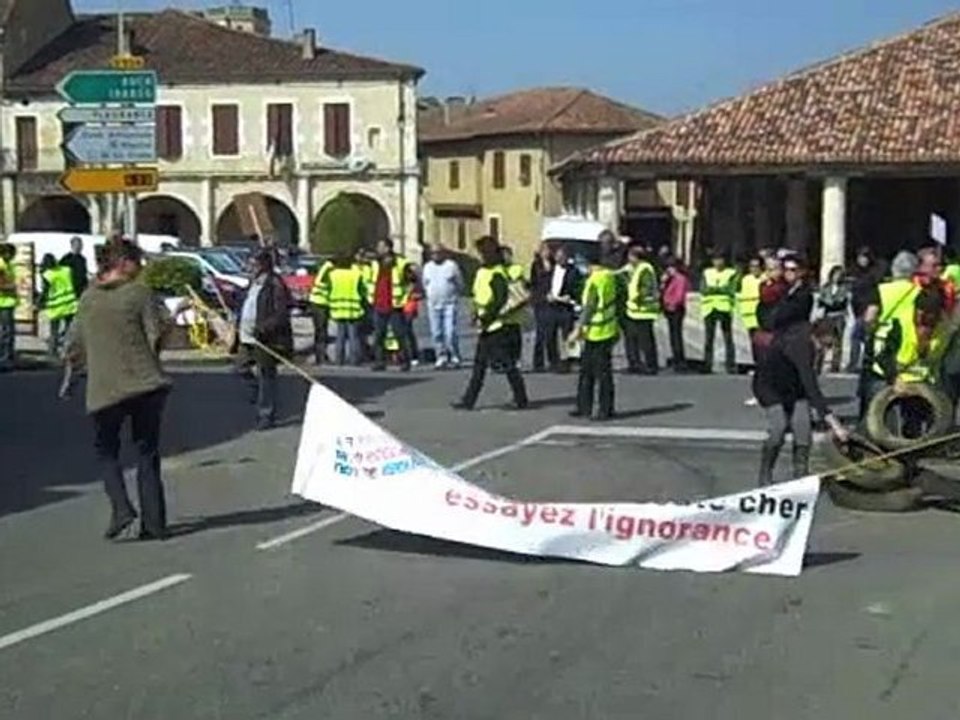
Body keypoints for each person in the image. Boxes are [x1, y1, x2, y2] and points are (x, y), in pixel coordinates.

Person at [63, 240, 173, 541]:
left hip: (105, 390)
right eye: (137, 262)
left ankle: (121, 508)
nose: (140, 268)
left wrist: (73, 374)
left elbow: (72, 344)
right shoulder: (140, 294)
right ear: (123, 263)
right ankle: (154, 524)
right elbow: (157, 332)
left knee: (107, 452)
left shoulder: (87, 299)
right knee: (147, 453)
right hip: (146, 384)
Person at [753, 255, 847, 486]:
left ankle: (800, 477)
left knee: (802, 429)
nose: (824, 352)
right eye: (825, 346)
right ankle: (765, 476)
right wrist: (834, 423)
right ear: (819, 338)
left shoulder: (803, 319)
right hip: (769, 385)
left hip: (794, 388)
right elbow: (810, 384)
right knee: (778, 428)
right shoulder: (802, 344)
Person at [452, 236, 528, 411]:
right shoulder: (483, 271)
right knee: (480, 365)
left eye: (480, 252)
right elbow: (480, 296)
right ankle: (468, 400)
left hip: (496, 326)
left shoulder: (497, 273)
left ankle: (520, 398)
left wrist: (487, 317)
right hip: (487, 324)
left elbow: (499, 299)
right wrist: (476, 313)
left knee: (506, 364)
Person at [237, 249, 293, 430]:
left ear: (264, 265)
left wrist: (263, 328)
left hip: (265, 338)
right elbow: (245, 304)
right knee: (241, 367)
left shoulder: (275, 284)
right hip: (246, 335)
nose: (250, 268)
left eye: (254, 264)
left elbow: (281, 313)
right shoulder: (252, 284)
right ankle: (256, 394)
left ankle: (266, 413)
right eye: (250, 264)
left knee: (266, 375)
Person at [570, 249, 621, 420]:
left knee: (592, 373)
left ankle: (592, 408)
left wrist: (577, 329)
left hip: (596, 332)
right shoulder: (609, 277)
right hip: (607, 329)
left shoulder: (595, 280)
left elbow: (590, 307)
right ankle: (599, 407)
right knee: (600, 373)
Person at [370, 238, 417, 371]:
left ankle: (404, 362)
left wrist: (406, 295)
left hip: (395, 305)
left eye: (380, 246)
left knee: (399, 335)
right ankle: (379, 362)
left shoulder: (401, 263)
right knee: (379, 335)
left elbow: (413, 280)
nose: (378, 249)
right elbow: (370, 281)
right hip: (379, 303)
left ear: (388, 248)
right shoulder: (375, 264)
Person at [422, 243, 463, 368]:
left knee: (450, 332)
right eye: (433, 253)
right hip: (433, 304)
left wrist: (456, 295)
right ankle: (441, 356)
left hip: (449, 303)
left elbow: (459, 283)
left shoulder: (451, 266)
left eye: (438, 252)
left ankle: (455, 356)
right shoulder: (427, 267)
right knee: (436, 332)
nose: (436, 255)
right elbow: (425, 283)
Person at [623, 244, 660, 374]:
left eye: (630, 256)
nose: (628, 259)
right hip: (634, 310)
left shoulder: (645, 269)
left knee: (646, 341)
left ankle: (651, 365)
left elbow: (646, 287)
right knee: (633, 339)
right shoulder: (635, 269)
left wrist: (638, 297)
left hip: (644, 311)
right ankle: (636, 364)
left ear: (636, 257)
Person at [544, 244, 581, 373]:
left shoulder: (574, 271)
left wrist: (571, 298)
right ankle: (553, 361)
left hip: (566, 307)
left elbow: (577, 288)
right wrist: (546, 295)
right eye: (558, 256)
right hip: (551, 306)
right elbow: (543, 285)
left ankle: (567, 362)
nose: (560, 259)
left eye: (562, 256)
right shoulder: (550, 270)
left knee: (567, 335)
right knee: (549, 335)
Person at [700, 249, 738, 373]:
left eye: (720, 260)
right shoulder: (707, 273)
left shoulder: (730, 273)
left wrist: (714, 289)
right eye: (715, 260)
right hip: (709, 308)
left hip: (724, 308)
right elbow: (703, 289)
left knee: (728, 338)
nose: (718, 262)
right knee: (708, 338)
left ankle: (730, 365)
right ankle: (707, 364)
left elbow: (730, 289)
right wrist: (719, 289)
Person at [328, 253, 367, 366]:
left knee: (340, 336)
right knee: (353, 336)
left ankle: (339, 360)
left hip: (338, 308)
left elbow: (330, 289)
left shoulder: (333, 275)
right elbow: (362, 291)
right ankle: (354, 361)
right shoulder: (356, 274)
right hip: (353, 308)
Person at [847, 247, 881, 373]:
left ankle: (864, 362)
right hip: (858, 310)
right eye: (860, 257)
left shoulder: (873, 274)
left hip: (869, 309)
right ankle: (855, 363)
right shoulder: (856, 273)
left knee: (863, 337)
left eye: (865, 257)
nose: (862, 260)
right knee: (858, 337)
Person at [39, 253, 79, 358]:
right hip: (69, 304)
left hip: (56, 307)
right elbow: (75, 283)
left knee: (54, 332)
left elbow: (45, 291)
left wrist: (39, 303)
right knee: (69, 331)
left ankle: (53, 352)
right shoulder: (66, 270)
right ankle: (68, 351)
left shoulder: (47, 275)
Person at [816, 265, 850, 374]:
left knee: (837, 341)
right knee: (823, 340)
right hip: (827, 316)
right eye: (835, 274)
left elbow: (840, 301)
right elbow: (821, 300)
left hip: (839, 316)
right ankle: (819, 363)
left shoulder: (844, 288)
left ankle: (835, 365)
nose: (837, 277)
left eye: (839, 275)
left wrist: (830, 303)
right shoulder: (826, 287)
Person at [661, 257, 691, 372]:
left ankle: (680, 360)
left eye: (671, 267)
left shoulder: (680, 279)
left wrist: (672, 304)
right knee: (672, 335)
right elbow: (663, 291)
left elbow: (679, 295)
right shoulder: (669, 279)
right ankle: (675, 357)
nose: (669, 270)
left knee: (676, 335)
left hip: (677, 309)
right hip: (668, 308)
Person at [528, 241, 554, 372]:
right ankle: (538, 363)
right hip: (540, 301)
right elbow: (533, 284)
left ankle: (553, 360)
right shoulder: (536, 265)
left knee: (550, 333)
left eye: (548, 250)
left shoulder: (554, 264)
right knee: (540, 333)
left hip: (552, 301)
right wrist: (541, 296)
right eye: (544, 250)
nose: (547, 253)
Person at [307, 257, 333, 364]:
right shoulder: (329, 269)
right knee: (321, 330)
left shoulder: (326, 267)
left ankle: (321, 355)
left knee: (320, 330)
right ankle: (320, 356)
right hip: (320, 302)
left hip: (318, 301)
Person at [738, 257, 764, 362]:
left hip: (762, 316)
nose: (754, 269)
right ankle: (757, 363)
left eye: (756, 266)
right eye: (752, 266)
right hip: (749, 317)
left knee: (762, 343)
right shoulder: (745, 280)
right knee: (754, 343)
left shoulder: (764, 278)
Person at [0, 243, 17, 371]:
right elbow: (2, 285)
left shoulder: (8, 265)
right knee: (6, 332)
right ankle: (5, 357)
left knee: (8, 331)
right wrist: (12, 288)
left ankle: (7, 356)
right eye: (11, 254)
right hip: (3, 302)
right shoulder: (1, 265)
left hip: (8, 302)